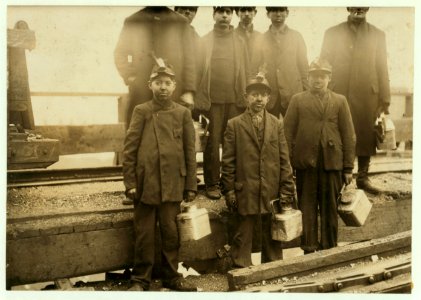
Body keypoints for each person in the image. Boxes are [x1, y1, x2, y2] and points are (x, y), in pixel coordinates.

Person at [122, 61, 197, 291]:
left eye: (167, 83)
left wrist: (191, 185)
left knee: (170, 232)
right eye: (158, 83)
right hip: (147, 185)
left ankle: (172, 277)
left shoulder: (183, 113)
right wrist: (130, 183)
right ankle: (140, 279)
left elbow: (189, 151)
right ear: (150, 85)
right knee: (144, 234)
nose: (163, 87)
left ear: (174, 86)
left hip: (173, 183)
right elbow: (130, 148)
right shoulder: (141, 111)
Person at [220, 73, 296, 268]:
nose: (259, 99)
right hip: (245, 190)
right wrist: (229, 191)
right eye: (254, 95)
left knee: (272, 234)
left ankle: (272, 270)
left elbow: (284, 159)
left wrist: (287, 188)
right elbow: (227, 162)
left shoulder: (276, 124)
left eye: (263, 95)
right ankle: (240, 270)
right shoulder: (234, 125)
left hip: (270, 190)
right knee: (243, 234)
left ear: (269, 98)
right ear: (246, 97)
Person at [283, 58, 356, 254]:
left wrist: (348, 167)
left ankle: (330, 249)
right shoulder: (297, 100)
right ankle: (309, 249)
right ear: (308, 78)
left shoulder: (340, 101)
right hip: (306, 163)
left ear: (329, 78)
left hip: (332, 164)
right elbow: (287, 133)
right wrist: (288, 163)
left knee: (329, 208)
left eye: (322, 76)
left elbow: (349, 135)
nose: (318, 80)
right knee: (307, 208)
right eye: (314, 76)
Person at [320, 7, 391, 194]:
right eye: (354, 6)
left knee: (366, 133)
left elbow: (382, 67)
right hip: (339, 93)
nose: (358, 10)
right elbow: (323, 65)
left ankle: (363, 177)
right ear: (348, 7)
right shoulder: (332, 33)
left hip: (368, 95)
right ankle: (339, 177)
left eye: (362, 6)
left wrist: (385, 100)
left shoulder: (377, 35)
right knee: (337, 134)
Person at [195, 6, 249, 200]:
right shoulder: (204, 41)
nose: (224, 15)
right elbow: (198, 71)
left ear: (232, 15)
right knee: (212, 143)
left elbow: (245, 70)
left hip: (235, 100)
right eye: (220, 12)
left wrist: (244, 96)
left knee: (233, 142)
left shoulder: (240, 41)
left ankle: (231, 183)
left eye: (228, 12)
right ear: (214, 15)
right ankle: (212, 183)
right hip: (212, 101)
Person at [114, 6, 197, 127]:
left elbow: (189, 59)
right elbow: (120, 53)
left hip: (171, 91)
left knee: (170, 134)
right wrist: (131, 76)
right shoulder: (133, 21)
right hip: (141, 91)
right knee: (138, 132)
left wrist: (188, 91)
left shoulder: (180, 22)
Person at [251, 7, 309, 118]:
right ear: (268, 14)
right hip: (268, 96)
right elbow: (254, 68)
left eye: (281, 10)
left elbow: (304, 67)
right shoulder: (261, 39)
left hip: (293, 94)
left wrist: (306, 93)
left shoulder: (296, 37)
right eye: (274, 10)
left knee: (293, 131)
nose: (278, 14)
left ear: (287, 13)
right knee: (268, 132)